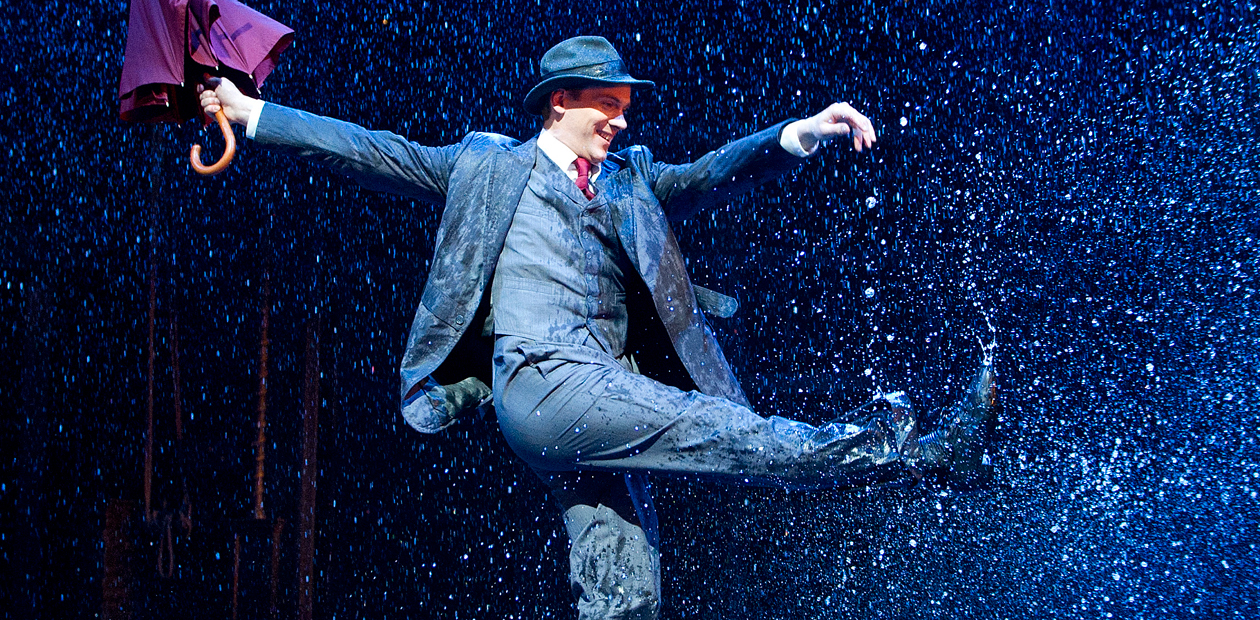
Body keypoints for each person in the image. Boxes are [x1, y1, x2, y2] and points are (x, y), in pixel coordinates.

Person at [199, 35, 997, 620]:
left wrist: (796, 134)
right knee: (731, 431)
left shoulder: (630, 181)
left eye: (623, 107)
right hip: (542, 385)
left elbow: (714, 172)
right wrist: (249, 111)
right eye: (606, 106)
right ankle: (919, 452)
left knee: (623, 589)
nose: (619, 120)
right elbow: (367, 149)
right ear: (560, 103)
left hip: (595, 403)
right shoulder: (484, 165)